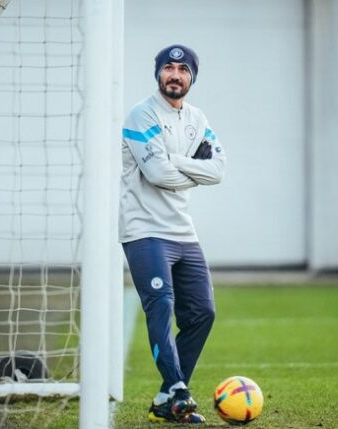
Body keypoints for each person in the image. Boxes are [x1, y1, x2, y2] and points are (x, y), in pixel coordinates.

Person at [119, 44, 226, 424]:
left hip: (183, 231)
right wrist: (189, 166)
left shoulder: (197, 119)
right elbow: (157, 175)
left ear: (192, 77)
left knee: (202, 313)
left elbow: (218, 170)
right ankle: (179, 389)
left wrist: (175, 161)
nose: (175, 75)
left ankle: (167, 395)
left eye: (183, 69)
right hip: (144, 230)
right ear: (158, 73)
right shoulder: (141, 114)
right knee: (161, 305)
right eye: (169, 67)